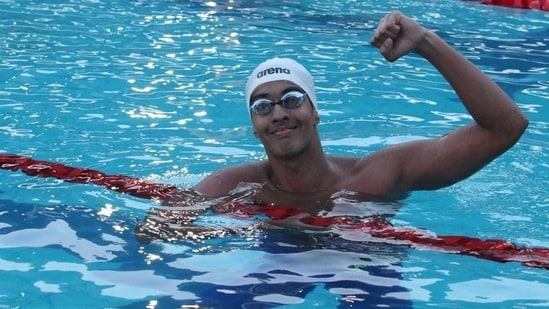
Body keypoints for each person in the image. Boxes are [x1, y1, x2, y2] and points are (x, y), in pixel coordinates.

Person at [135, 11, 528, 240]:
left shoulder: (378, 175)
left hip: (369, 264)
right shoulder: (236, 183)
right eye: (262, 106)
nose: (279, 113)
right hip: (277, 261)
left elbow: (504, 128)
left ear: (315, 111)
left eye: (292, 99)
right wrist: (230, 234)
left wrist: (426, 43)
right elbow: (155, 226)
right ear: (255, 126)